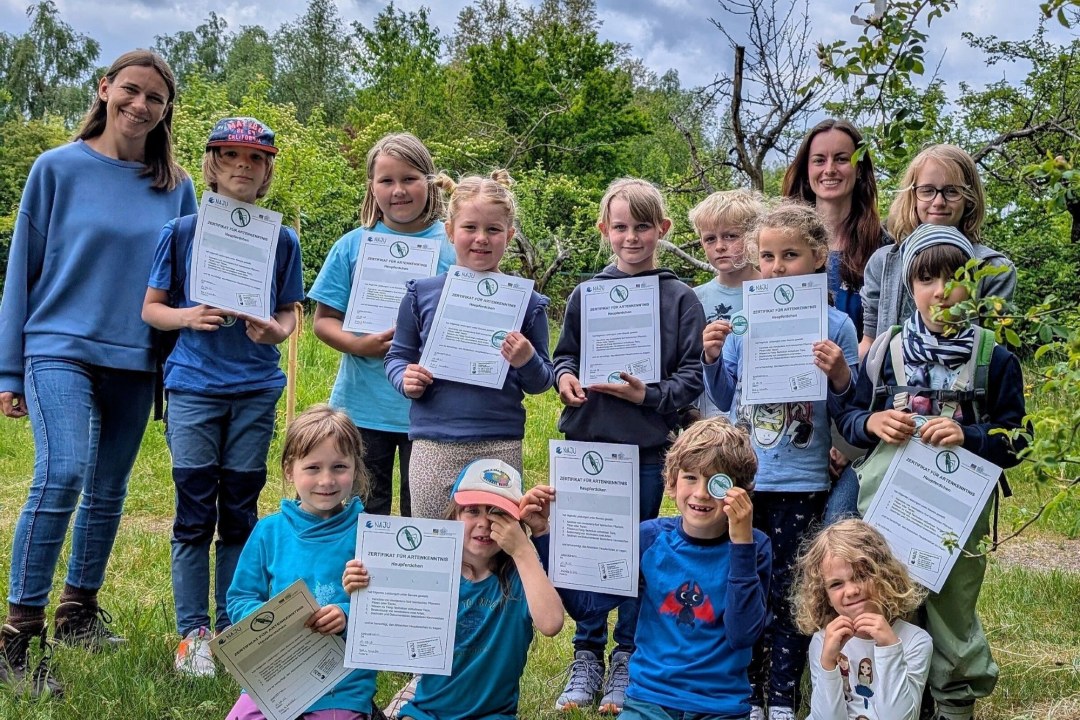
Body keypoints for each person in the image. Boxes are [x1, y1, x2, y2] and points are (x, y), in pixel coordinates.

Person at [0, 50, 197, 697]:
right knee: (64, 472)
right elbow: (20, 271)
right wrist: (8, 369)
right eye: (131, 91)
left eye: (155, 99)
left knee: (110, 487)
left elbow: (187, 286)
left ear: (167, 111)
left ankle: (79, 611)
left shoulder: (178, 188)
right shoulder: (55, 169)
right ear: (105, 88)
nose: (140, 106)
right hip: (56, 345)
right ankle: (17, 636)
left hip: (137, 359)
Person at [833, 224, 1027, 720]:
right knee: (890, 598)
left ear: (975, 285)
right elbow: (852, 419)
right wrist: (874, 421)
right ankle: (887, 700)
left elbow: (1018, 440)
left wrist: (970, 436)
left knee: (952, 609)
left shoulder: (995, 357)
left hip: (957, 510)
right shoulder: (887, 352)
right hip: (889, 500)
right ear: (910, 288)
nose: (942, 292)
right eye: (926, 280)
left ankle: (956, 701)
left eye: (955, 278)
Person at [142, 117, 304, 676]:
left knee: (239, 509)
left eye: (255, 158)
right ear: (211, 164)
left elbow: (288, 311)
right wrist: (188, 316)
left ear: (267, 172)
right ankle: (193, 633)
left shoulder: (282, 239)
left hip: (256, 389)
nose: (243, 165)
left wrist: (275, 332)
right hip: (193, 386)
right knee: (193, 512)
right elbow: (152, 308)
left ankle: (232, 625)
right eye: (230, 155)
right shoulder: (184, 232)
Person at [551, 177, 706, 713]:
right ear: (605, 231)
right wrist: (564, 378)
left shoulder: (680, 297)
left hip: (644, 450)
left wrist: (649, 395)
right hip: (586, 444)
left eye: (643, 226)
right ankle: (586, 651)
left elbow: (692, 379)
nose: (632, 237)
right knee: (587, 552)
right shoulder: (586, 294)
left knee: (634, 555)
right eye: (621, 227)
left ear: (662, 229)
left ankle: (626, 657)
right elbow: (563, 355)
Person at [702, 201, 859, 720]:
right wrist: (710, 356)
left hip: (802, 479)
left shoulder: (836, 327)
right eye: (766, 256)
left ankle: (784, 697)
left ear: (818, 258)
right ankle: (746, 694)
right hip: (747, 481)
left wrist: (837, 373)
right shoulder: (743, 324)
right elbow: (726, 398)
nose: (775, 267)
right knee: (746, 587)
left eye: (789, 255)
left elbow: (848, 409)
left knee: (794, 592)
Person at [524, 416, 771, 720]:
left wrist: (741, 545)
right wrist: (543, 534)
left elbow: (742, 634)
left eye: (717, 482)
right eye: (691, 477)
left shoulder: (754, 546)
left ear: (741, 490)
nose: (702, 493)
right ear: (671, 483)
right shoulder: (650, 539)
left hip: (719, 705)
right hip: (649, 699)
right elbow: (586, 607)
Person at [384, 170, 554, 520]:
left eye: (493, 230)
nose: (481, 239)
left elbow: (542, 382)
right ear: (449, 231)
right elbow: (398, 356)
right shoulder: (421, 294)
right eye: (469, 228)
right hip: (434, 442)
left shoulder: (528, 302)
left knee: (493, 544)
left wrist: (526, 359)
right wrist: (406, 379)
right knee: (433, 542)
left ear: (509, 234)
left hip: (499, 442)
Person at [342, 459, 564, 720]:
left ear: (515, 522)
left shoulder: (520, 574)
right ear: (454, 515)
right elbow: (382, 631)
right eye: (472, 510)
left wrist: (523, 550)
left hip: (493, 714)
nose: (484, 522)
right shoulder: (429, 570)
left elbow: (551, 624)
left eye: (497, 512)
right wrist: (361, 591)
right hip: (427, 710)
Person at [310, 132, 455, 518]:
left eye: (409, 179)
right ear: (372, 187)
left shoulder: (454, 245)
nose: (399, 190)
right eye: (386, 180)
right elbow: (323, 322)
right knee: (361, 512)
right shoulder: (353, 245)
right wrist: (360, 346)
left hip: (428, 410)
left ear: (430, 181)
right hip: (362, 407)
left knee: (422, 515)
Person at [226, 405, 377, 719]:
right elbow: (240, 599)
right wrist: (277, 620)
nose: (326, 480)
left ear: (356, 468)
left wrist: (347, 614)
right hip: (275, 675)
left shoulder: (371, 534)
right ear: (289, 470)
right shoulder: (269, 531)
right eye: (312, 468)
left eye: (339, 467)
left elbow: (386, 607)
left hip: (341, 682)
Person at [860, 144, 1016, 358]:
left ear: (970, 197)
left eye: (952, 191)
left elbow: (996, 354)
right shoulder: (883, 262)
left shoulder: (994, 269)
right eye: (927, 191)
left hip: (964, 387)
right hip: (894, 387)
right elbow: (869, 343)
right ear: (913, 196)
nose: (939, 201)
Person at [793, 519, 932, 720]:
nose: (851, 591)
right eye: (836, 584)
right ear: (826, 596)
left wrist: (890, 648)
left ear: (885, 576)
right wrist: (828, 663)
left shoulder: (915, 641)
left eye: (860, 576)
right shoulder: (824, 641)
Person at [783, 119, 889, 340]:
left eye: (841, 159)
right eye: (819, 160)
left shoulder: (884, 249)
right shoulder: (779, 246)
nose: (829, 169)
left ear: (859, 170)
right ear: (806, 170)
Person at [689, 189, 764, 418]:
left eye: (731, 236)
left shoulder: (772, 292)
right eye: (710, 239)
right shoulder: (694, 298)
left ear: (754, 236)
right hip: (711, 421)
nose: (720, 246)